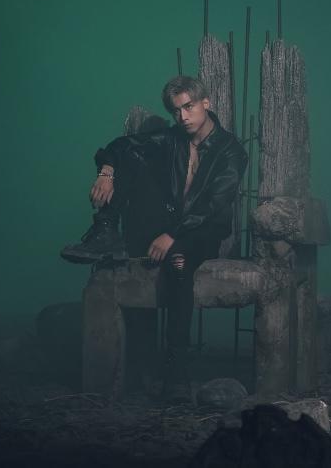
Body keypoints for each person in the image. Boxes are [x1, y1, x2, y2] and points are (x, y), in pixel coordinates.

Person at [61, 75, 248, 401]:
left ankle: (176, 372)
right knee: (133, 157)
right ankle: (105, 230)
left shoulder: (231, 151)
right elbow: (122, 145)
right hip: (168, 224)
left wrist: (171, 236)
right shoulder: (172, 139)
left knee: (179, 262)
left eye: (188, 107)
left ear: (206, 103)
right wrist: (106, 171)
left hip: (203, 230)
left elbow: (212, 204)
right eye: (176, 111)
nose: (182, 117)